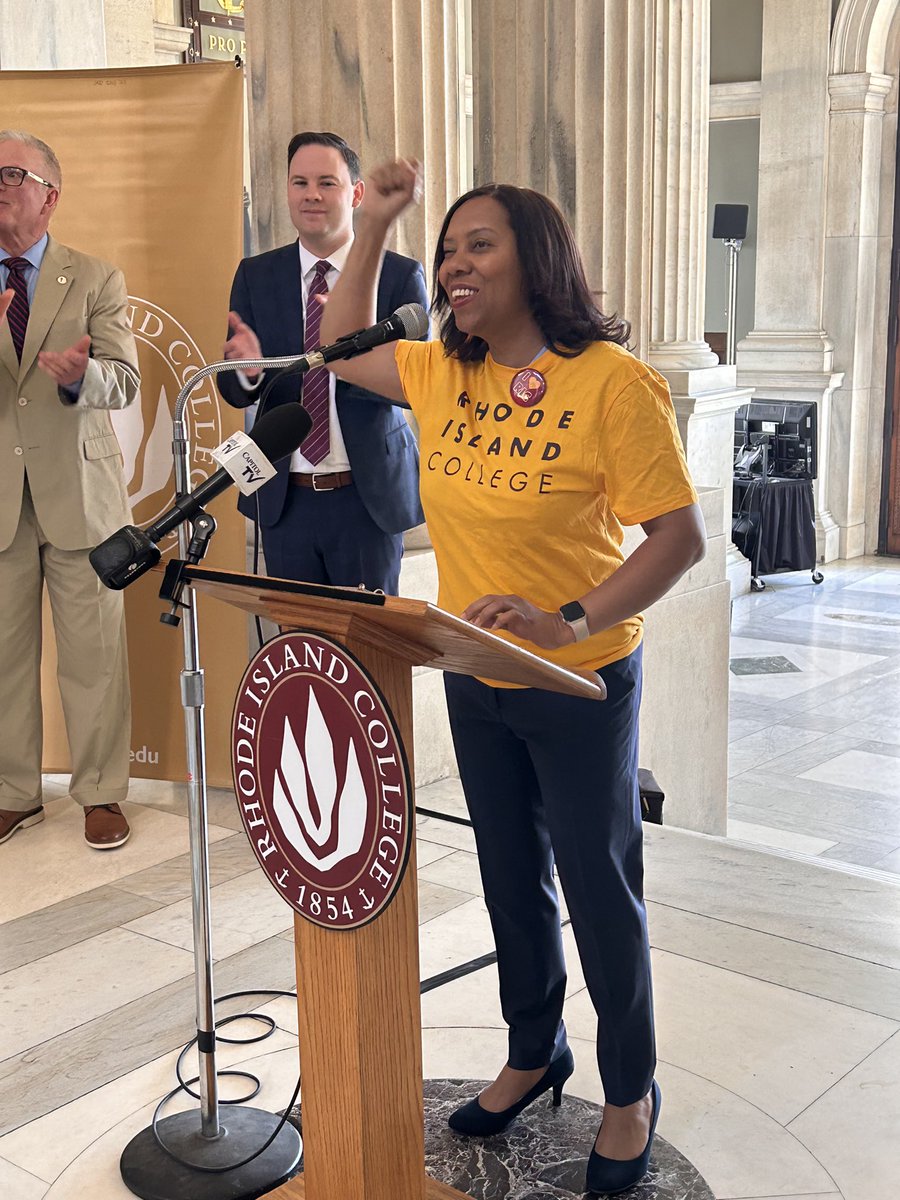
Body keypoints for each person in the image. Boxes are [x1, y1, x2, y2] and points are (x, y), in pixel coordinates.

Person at [320, 159, 707, 1194]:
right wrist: (378, 223)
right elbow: (337, 345)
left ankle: (629, 1091)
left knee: (599, 886)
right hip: (472, 667)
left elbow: (679, 538)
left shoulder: (612, 385)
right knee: (508, 881)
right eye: (446, 250)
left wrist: (568, 616)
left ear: (536, 262)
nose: (454, 265)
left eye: (475, 245)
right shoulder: (442, 369)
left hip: (579, 681)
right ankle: (533, 1053)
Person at [0, 130, 139, 851]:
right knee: (3, 656)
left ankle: (101, 793)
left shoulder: (95, 278)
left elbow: (126, 378)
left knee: (94, 656)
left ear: (50, 196)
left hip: (82, 500)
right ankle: (13, 793)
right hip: (0, 504)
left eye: (11, 173)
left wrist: (79, 377)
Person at [217, 131, 428, 595]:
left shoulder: (398, 276)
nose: (311, 194)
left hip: (365, 496)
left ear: (356, 194)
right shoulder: (256, 274)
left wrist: (347, 344)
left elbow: (412, 384)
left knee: (368, 650)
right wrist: (251, 371)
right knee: (298, 651)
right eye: (299, 183)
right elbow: (233, 391)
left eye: (326, 183)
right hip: (284, 498)